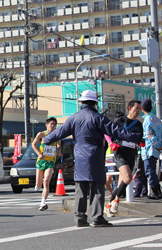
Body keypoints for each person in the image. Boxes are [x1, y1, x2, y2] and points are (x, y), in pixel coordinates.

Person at [44, 90, 141, 228]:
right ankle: (97, 218)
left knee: (81, 188)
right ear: (95, 103)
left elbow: (60, 132)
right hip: (95, 156)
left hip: (80, 157)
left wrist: (46, 139)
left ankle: (80, 218)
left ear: (82, 102)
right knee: (97, 187)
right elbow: (116, 131)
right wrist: (135, 137)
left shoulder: (74, 118)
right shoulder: (98, 117)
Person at [105, 100, 143, 217]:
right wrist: (111, 143)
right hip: (120, 152)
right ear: (129, 108)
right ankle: (114, 202)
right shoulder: (119, 121)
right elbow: (107, 133)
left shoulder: (138, 124)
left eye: (139, 109)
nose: (138, 111)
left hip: (132, 153)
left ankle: (110, 205)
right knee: (128, 178)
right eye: (136, 109)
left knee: (122, 182)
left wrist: (142, 142)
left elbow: (140, 139)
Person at [31, 117, 60, 211]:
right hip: (41, 161)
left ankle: (43, 203)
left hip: (51, 161)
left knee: (46, 181)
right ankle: (37, 186)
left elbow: (59, 144)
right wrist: (39, 154)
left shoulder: (57, 135)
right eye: (51, 124)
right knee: (38, 184)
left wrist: (59, 151)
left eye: (54, 124)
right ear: (46, 125)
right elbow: (33, 144)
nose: (53, 126)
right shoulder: (42, 134)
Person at [140, 99, 162, 200]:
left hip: (148, 150)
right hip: (156, 150)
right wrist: (161, 145)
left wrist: (154, 145)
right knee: (152, 171)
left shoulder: (146, 121)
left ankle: (156, 192)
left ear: (142, 109)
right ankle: (156, 192)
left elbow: (149, 136)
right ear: (152, 108)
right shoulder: (157, 119)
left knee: (149, 171)